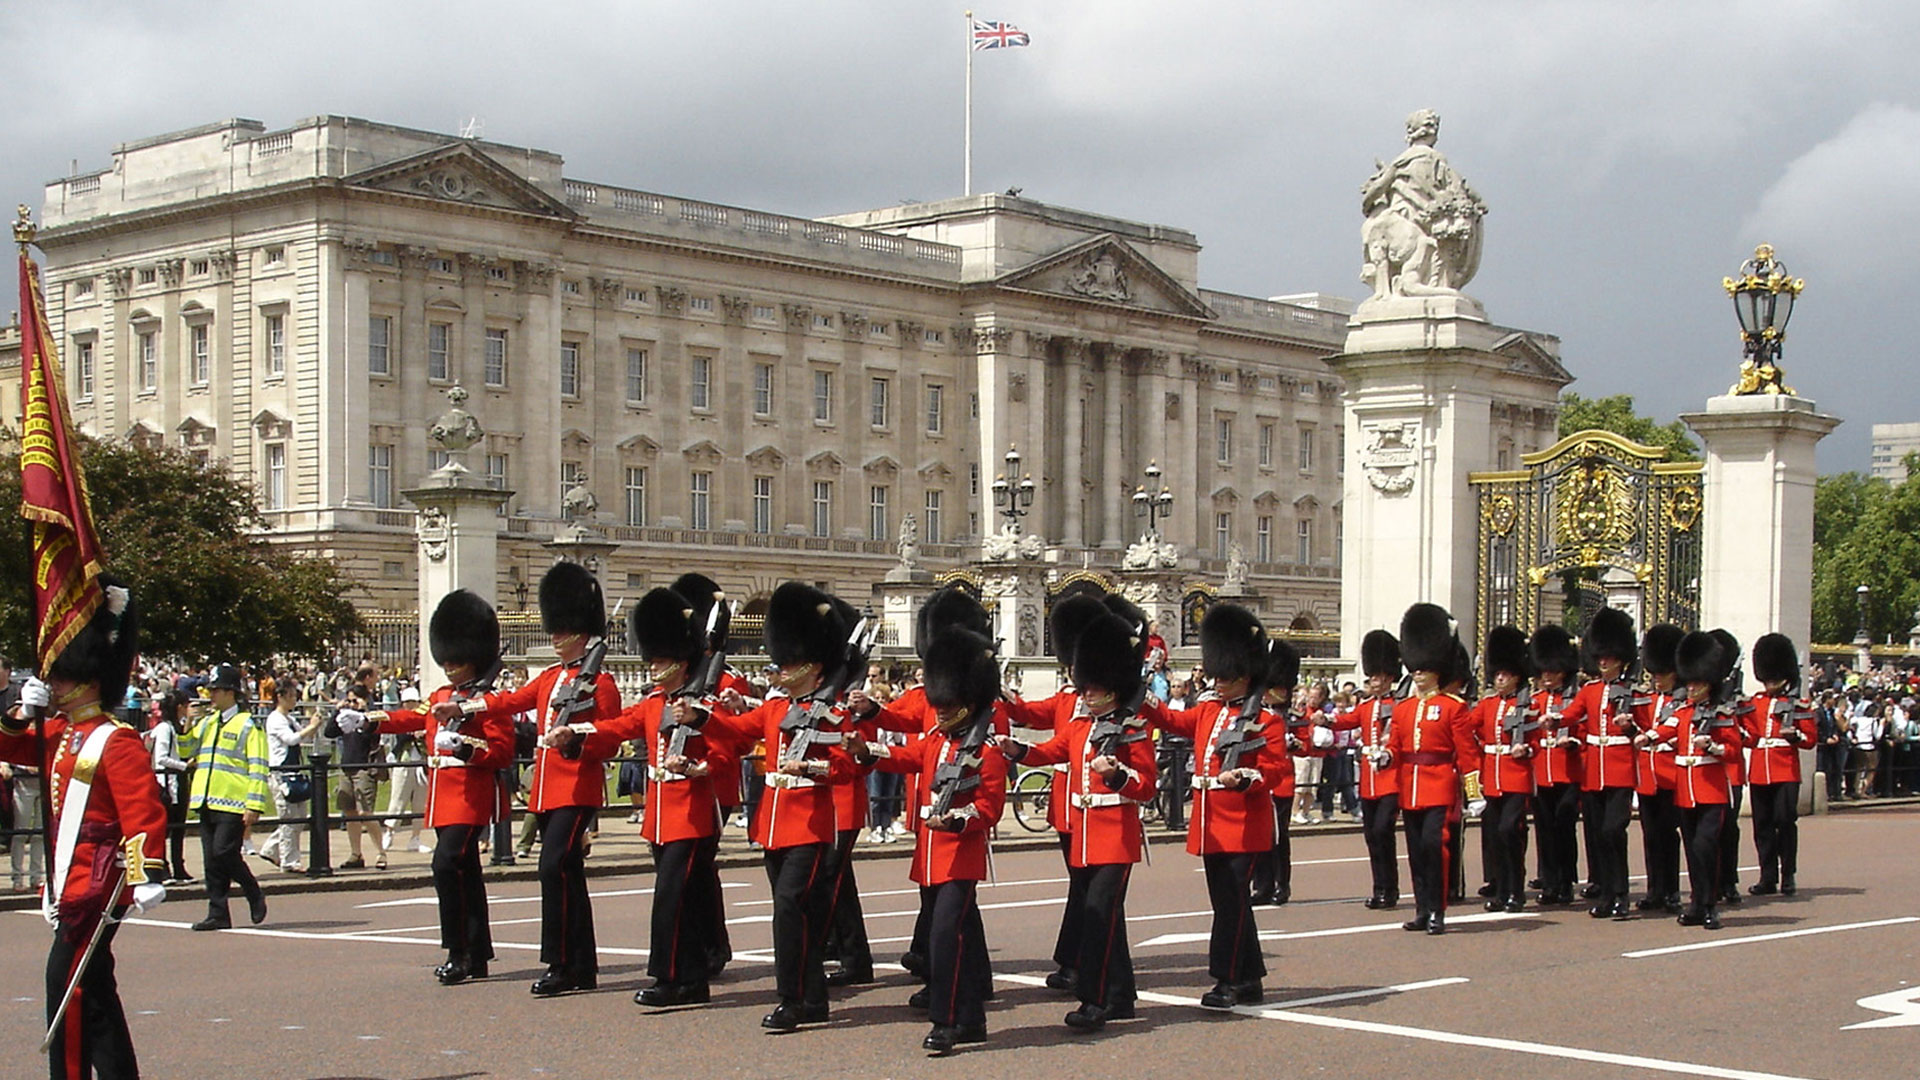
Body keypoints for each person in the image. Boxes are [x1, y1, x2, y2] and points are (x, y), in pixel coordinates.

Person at [0, 579, 170, 1080]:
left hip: (96, 883)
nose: (53, 685)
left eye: (60, 677)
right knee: (91, 992)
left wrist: (146, 873)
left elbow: (142, 810)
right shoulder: (62, 732)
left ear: (88, 679)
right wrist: (19, 712)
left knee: (68, 985)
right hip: (68, 879)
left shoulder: (114, 740)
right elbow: (9, 745)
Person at [438, 563, 621, 996]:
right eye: (554, 630)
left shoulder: (602, 683)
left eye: (563, 631)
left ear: (582, 632)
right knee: (566, 871)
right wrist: (463, 710)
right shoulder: (549, 678)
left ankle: (561, 961)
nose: (556, 638)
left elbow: (610, 739)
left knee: (553, 865)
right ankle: (581, 965)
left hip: (578, 788)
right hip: (547, 788)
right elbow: (508, 701)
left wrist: (577, 740)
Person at [707, 582, 861, 1031]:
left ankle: (791, 999)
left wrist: (811, 769)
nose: (782, 669)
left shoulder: (832, 714)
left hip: (810, 828)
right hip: (772, 825)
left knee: (789, 909)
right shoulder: (777, 710)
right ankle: (813, 998)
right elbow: (735, 731)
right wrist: (701, 717)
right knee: (802, 913)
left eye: (791, 663)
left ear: (814, 668)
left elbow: (846, 769)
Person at [996, 608, 1158, 1032]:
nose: (1084, 693)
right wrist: (1018, 751)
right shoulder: (1082, 724)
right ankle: (1120, 995)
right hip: (1084, 834)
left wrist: (1118, 775)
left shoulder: (1134, 728)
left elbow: (1147, 787)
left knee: (1099, 915)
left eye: (1092, 687)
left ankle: (1095, 999)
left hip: (1115, 838)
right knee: (1101, 916)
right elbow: (1051, 752)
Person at [576, 583, 723, 1008]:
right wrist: (578, 733)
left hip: (692, 815)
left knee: (670, 897)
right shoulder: (654, 702)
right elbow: (615, 727)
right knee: (688, 899)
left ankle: (668, 976)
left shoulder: (703, 703)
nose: (654, 666)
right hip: (661, 814)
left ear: (680, 661)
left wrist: (697, 767)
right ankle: (693, 980)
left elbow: (725, 756)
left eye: (661, 660)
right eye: (653, 659)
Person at [864, 626, 1008, 1055]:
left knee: (944, 938)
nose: (939, 711)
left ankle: (945, 1021)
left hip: (960, 857)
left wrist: (959, 820)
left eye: (947, 706)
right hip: (930, 855)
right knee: (954, 937)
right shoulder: (937, 740)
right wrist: (867, 751)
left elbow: (990, 808)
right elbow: (909, 759)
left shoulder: (988, 750)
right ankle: (971, 1019)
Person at [373, 589, 515, 984]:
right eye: (448, 659)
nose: (450, 666)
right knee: (464, 871)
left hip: (470, 796)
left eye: (458, 659)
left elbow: (502, 751)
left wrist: (466, 747)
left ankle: (458, 950)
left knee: (446, 864)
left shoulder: (488, 700)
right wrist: (370, 719)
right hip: (443, 796)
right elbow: (411, 718)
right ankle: (477, 953)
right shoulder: (440, 695)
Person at [1158, 604, 1291, 1010]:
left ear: (1245, 674)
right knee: (1228, 903)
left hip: (1242, 821)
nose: (1218, 680)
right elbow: (1173, 722)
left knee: (1231, 904)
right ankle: (1250, 978)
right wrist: (1141, 697)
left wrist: (1247, 779)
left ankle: (1228, 978)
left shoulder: (1266, 719)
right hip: (1210, 820)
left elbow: (1273, 768)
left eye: (1226, 674)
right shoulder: (1210, 710)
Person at [998, 593, 1109, 994]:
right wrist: (1007, 699)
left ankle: (1078, 960)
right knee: (1079, 885)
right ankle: (1076, 958)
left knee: (1085, 887)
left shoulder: (1102, 703)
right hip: (1066, 803)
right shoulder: (1066, 697)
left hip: (1089, 802)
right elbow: (1031, 714)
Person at [1383, 604, 1478, 935]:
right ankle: (1422, 908)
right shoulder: (1404, 708)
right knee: (1415, 851)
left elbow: (1467, 753)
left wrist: (1473, 793)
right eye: (1415, 667)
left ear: (1438, 668)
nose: (1419, 672)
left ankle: (1438, 909)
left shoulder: (1453, 708)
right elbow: (1395, 745)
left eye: (1425, 667)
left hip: (1438, 785)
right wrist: (1385, 756)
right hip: (1409, 785)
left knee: (1434, 848)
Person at [1645, 630, 1743, 931]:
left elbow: (1734, 749)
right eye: (1689, 683)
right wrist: (1644, 737)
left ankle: (1710, 905)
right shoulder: (1683, 712)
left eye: (1696, 683)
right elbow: (1665, 730)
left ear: (1708, 683)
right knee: (1692, 849)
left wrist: (1712, 747)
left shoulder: (1722, 714)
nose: (1690, 688)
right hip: (1685, 792)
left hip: (1712, 791)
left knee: (1705, 847)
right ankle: (1698, 905)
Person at [1560, 608, 1641, 920]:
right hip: (1594, 771)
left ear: (1621, 657)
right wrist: (1553, 720)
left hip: (1620, 771)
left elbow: (1647, 729)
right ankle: (1607, 894)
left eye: (1609, 656)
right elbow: (1573, 713)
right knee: (1597, 834)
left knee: (1613, 831)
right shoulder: (1590, 690)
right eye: (1601, 656)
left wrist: (1631, 726)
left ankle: (1621, 893)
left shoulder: (1633, 692)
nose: (1604, 661)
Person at [179, 663, 270, 930]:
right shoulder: (207, 722)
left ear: (230, 692)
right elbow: (185, 749)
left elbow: (258, 765)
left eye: (216, 690)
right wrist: (188, 722)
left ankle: (252, 890)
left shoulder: (247, 725)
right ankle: (218, 911)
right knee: (211, 859)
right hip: (206, 799)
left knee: (224, 852)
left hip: (233, 800)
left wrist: (254, 804)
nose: (210, 695)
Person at [1330, 630, 1402, 908]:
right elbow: (1347, 721)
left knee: (1384, 831)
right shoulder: (1366, 706)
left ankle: (1391, 888)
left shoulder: (1397, 705)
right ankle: (1380, 888)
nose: (1373, 682)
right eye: (1371, 677)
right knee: (1372, 835)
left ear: (1388, 678)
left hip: (1390, 778)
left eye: (1378, 678)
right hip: (1369, 779)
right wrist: (1326, 720)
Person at [1469, 626, 1536, 913]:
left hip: (1516, 776)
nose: (1499, 679)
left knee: (1510, 831)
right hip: (1491, 777)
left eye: (1504, 675)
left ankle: (1515, 891)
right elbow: (1466, 727)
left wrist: (1527, 750)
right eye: (1496, 675)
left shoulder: (1528, 705)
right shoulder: (1487, 705)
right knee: (1495, 834)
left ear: (1516, 677)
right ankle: (1501, 890)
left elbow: (1536, 741)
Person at [1743, 633, 1816, 896]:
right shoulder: (1754, 703)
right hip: (1760, 772)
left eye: (1775, 677)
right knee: (1761, 824)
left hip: (1786, 771)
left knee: (1785, 821)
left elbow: (1810, 740)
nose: (1771, 683)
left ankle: (1788, 875)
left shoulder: (1798, 704)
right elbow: (1751, 737)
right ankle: (1767, 876)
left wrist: (1795, 736)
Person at [1633, 625, 1686, 913]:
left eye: (1663, 674)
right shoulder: (1647, 699)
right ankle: (1655, 889)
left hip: (1671, 775)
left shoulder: (1683, 702)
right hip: (1647, 776)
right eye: (1654, 674)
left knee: (1668, 833)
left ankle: (1671, 890)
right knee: (1650, 833)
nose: (1657, 679)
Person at [1527, 626, 1582, 905]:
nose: (1547, 676)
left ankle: (1565, 880)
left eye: (1552, 670)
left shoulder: (1575, 698)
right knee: (1544, 828)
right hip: (1542, 773)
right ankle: (1549, 882)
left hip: (1568, 772)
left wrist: (1573, 743)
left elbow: (1584, 731)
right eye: (1543, 671)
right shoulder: (1535, 701)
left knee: (1564, 826)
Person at [257, 684, 322, 873]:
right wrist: (310, 727)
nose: (295, 699)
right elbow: (291, 739)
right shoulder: (275, 719)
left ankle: (271, 849)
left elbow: (303, 737)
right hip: (281, 773)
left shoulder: (290, 718)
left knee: (299, 817)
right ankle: (289, 860)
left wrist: (312, 727)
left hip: (294, 771)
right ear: (281, 696)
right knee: (288, 818)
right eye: (292, 696)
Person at [324, 682, 382, 870]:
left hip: (364, 767)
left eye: (354, 700)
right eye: (348, 700)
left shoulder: (371, 717)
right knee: (349, 812)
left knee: (366, 812)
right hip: (346, 766)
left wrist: (363, 713)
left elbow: (373, 738)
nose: (351, 704)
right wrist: (337, 711)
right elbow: (329, 732)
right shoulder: (346, 717)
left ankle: (381, 852)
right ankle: (356, 854)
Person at [146, 692, 195, 884]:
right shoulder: (165, 728)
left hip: (177, 781)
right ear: (179, 707)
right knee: (166, 828)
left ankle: (178, 868)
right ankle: (163, 868)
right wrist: (185, 765)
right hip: (167, 783)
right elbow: (161, 758)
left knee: (178, 828)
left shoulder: (176, 727)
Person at [381, 685, 429, 857]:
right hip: (404, 761)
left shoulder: (424, 717)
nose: (411, 706)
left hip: (421, 763)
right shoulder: (401, 718)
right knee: (398, 798)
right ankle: (389, 832)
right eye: (408, 702)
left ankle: (415, 837)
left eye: (414, 702)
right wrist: (413, 734)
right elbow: (400, 737)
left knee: (420, 801)